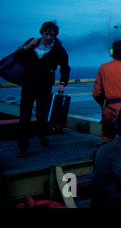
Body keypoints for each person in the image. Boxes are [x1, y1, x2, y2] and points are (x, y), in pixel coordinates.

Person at [17, 21, 71, 157]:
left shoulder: (58, 49)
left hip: (44, 87)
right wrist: (28, 47)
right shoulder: (31, 42)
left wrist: (63, 83)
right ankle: (23, 147)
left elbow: (65, 68)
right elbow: (18, 57)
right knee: (24, 116)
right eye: (46, 34)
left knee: (41, 116)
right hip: (28, 85)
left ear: (55, 35)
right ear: (41, 33)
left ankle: (42, 135)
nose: (48, 37)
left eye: (51, 35)